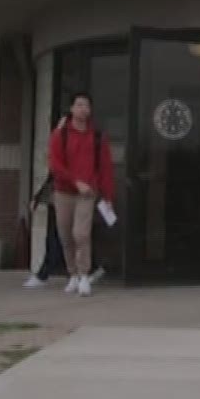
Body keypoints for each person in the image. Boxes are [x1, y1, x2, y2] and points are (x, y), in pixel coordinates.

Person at [47, 93, 116, 297]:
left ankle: (85, 275)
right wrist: (75, 181)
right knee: (66, 236)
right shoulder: (60, 134)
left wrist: (108, 196)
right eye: (79, 105)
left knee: (81, 233)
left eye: (86, 105)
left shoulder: (97, 137)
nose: (82, 109)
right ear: (71, 108)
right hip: (64, 192)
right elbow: (55, 164)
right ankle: (73, 274)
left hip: (88, 193)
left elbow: (105, 169)